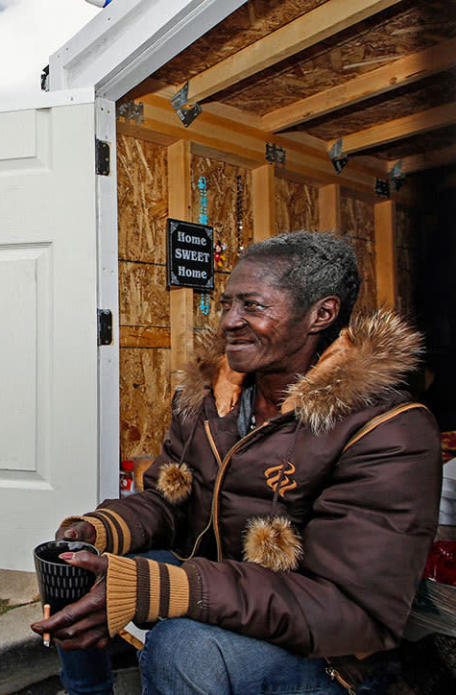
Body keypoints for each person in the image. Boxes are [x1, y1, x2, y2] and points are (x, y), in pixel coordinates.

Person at [31, 232, 442, 694]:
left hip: (329, 654)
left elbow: (350, 611)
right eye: (227, 304)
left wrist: (165, 587)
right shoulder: (212, 398)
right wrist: (99, 530)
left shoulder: (388, 430)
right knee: (80, 567)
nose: (229, 321)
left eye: (253, 306)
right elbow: (168, 503)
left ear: (321, 314)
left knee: (185, 646)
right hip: (224, 592)